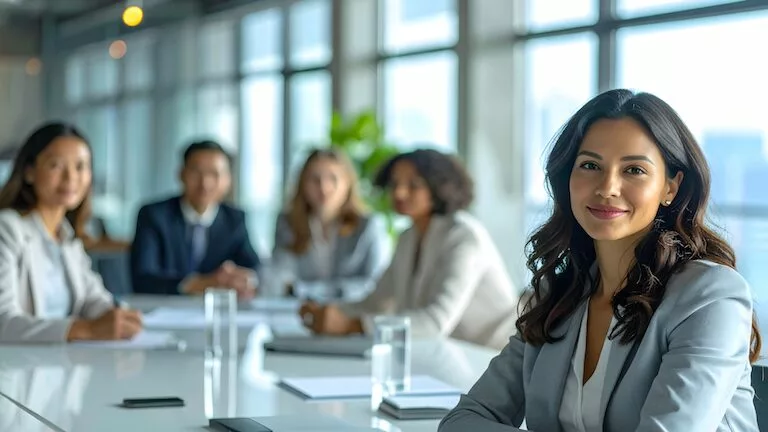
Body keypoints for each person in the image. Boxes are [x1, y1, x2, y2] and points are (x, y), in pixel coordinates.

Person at [439, 89, 761, 431]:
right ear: (568, 179)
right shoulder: (560, 294)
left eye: (634, 170)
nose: (607, 187)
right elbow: (463, 421)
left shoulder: (709, 297)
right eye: (590, 165)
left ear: (671, 187)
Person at [299, 149, 519, 350]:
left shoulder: (464, 236)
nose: (400, 193)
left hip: (491, 356)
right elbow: (376, 302)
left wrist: (352, 325)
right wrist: (327, 312)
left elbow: (435, 322)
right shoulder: (408, 237)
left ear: (439, 187)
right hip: (447, 354)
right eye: (394, 184)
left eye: (413, 185)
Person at [0, 122, 143, 343]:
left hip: (62, 365)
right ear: (29, 172)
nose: (70, 178)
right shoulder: (7, 229)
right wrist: (87, 330)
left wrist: (118, 316)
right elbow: (3, 322)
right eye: (56, 165)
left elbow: (92, 299)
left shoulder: (68, 236)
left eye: (80, 166)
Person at [130, 140, 260, 298]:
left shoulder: (234, 219)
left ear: (227, 181)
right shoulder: (154, 216)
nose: (205, 183)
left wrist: (242, 279)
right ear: (181, 174)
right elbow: (143, 278)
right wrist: (204, 283)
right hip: (166, 310)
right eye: (196, 172)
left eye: (214, 174)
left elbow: (254, 269)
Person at [267, 148, 389, 301]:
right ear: (302, 184)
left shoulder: (369, 226)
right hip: (297, 313)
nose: (324, 188)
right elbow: (279, 277)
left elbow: (374, 284)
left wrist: (308, 290)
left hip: (350, 315)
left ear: (347, 184)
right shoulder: (287, 222)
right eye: (315, 179)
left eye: (333, 179)